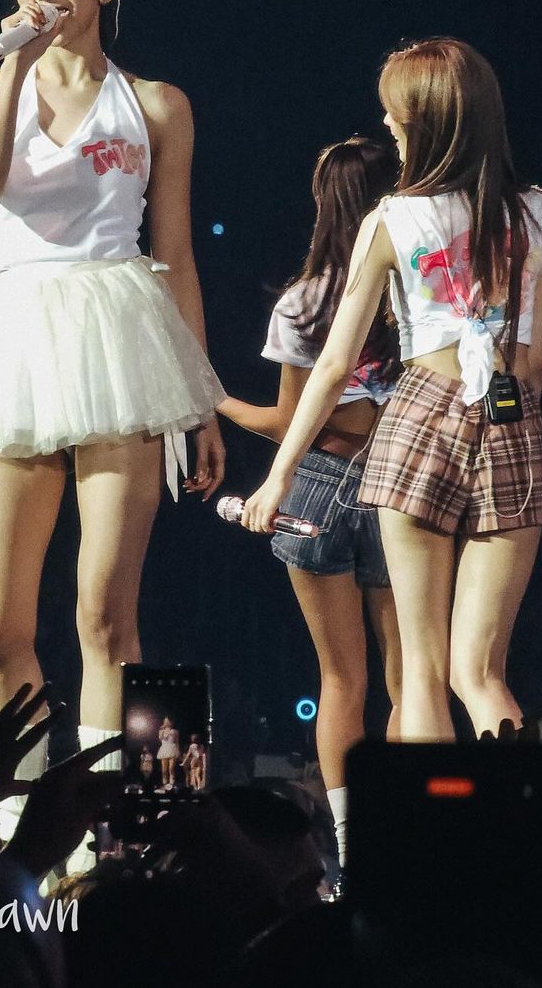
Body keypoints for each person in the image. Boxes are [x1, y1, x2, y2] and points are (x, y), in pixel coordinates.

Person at [0, 0, 225, 833]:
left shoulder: (157, 104)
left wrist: (202, 402)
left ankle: (110, 834)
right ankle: (16, 832)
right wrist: (16, 64)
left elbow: (175, 253)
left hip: (120, 339)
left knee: (104, 616)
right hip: (16, 337)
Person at [242, 39, 542, 745]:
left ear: (425, 120)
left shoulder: (393, 219)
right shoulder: (541, 216)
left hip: (419, 419)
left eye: (394, 111)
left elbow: (333, 366)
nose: (386, 122)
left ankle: (429, 821)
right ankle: (516, 814)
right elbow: (532, 365)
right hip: (510, 421)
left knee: (420, 671)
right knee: (481, 675)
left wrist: (280, 475)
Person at [215, 137, 403, 864]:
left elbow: (288, 423)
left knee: (340, 680)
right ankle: (414, 834)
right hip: (399, 485)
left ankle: (353, 852)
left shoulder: (303, 301)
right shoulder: (415, 286)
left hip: (318, 487)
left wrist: (214, 401)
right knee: (410, 678)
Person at [156, 715, 180, 789]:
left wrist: (178, 750)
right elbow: (160, 739)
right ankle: (165, 783)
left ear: (171, 722)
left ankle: (171, 783)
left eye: (168, 721)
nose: (166, 722)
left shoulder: (175, 731)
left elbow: (177, 742)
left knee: (171, 768)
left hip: (172, 748)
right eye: (165, 721)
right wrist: (162, 731)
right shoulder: (161, 731)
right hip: (164, 748)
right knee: (164, 769)